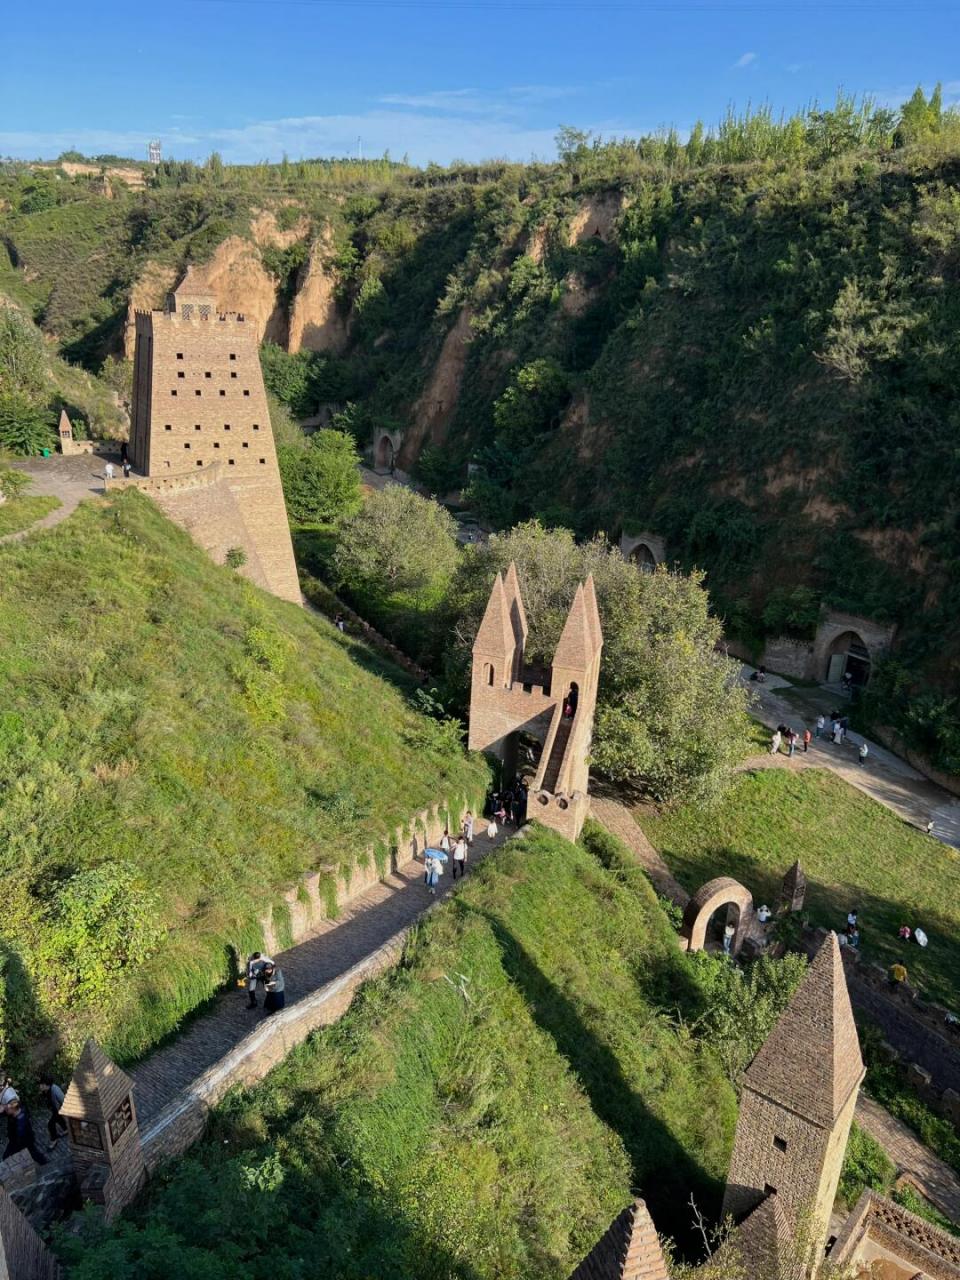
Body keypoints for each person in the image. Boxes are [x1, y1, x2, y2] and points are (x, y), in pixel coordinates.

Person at [3, 1097, 47, 1166]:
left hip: (23, 1141)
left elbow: (19, 1135)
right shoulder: (17, 1112)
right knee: (33, 1152)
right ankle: (43, 1162)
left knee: (33, 1152)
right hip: (18, 1140)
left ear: (13, 1110)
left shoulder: (21, 1121)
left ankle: (44, 1162)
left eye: (8, 1109)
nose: (6, 1111)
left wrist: (17, 1146)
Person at [38, 1078, 67, 1148]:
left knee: (50, 1124)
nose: (39, 1086)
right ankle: (66, 1129)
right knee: (58, 1119)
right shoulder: (45, 1090)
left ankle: (54, 1140)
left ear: (46, 1085)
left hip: (58, 1109)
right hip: (54, 1108)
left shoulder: (55, 1091)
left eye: (41, 1085)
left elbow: (63, 1101)